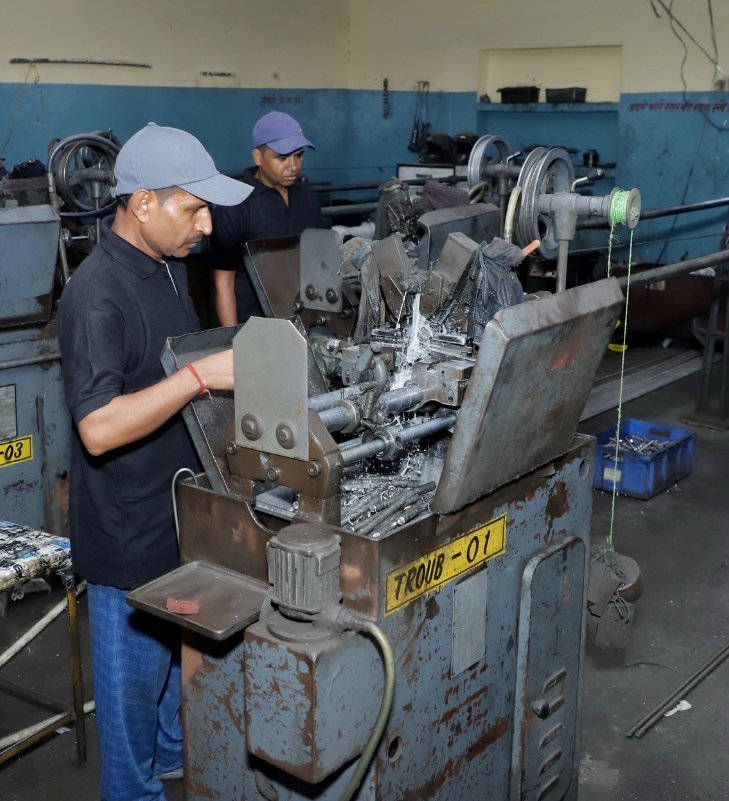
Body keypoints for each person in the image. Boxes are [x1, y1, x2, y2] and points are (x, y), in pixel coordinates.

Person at [57, 122, 252, 801]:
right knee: (131, 738)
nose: (204, 224)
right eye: (191, 207)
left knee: (172, 712)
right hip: (126, 548)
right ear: (143, 203)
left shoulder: (163, 271)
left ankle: (176, 767)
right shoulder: (95, 294)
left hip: (173, 526)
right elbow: (100, 428)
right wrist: (202, 378)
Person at [209, 110, 323, 326]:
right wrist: (234, 341)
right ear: (258, 157)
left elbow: (317, 263)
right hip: (253, 327)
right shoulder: (235, 205)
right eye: (282, 158)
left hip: (303, 321)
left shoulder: (307, 197)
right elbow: (223, 281)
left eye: (298, 155)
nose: (293, 166)